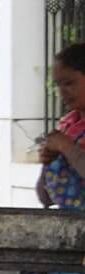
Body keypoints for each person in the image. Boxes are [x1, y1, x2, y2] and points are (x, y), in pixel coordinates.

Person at [37, 42, 85, 210]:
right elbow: (46, 198)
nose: (62, 91)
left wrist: (66, 146)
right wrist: (47, 162)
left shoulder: (66, 139)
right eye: (58, 85)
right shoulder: (68, 126)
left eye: (69, 83)